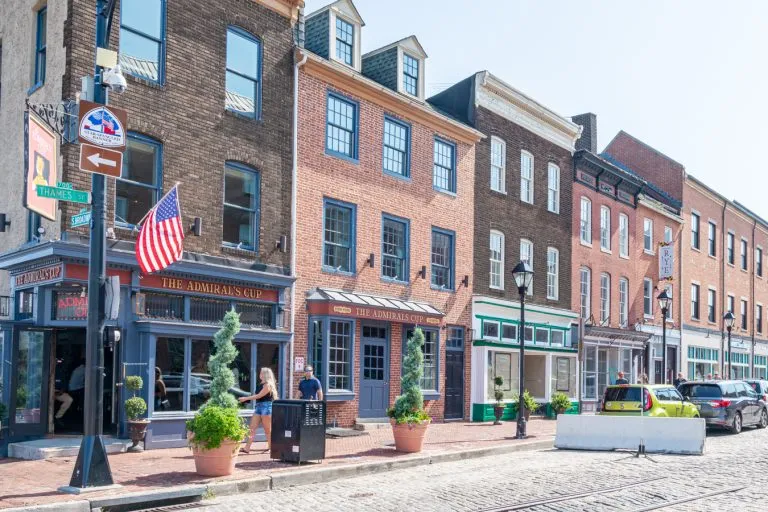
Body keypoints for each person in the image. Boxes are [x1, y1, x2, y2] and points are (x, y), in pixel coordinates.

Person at [239, 367, 278, 454]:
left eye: (261, 373)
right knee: (252, 428)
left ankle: (271, 447)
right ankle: (247, 448)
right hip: (258, 407)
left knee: (267, 429)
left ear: (265, 374)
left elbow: (259, 396)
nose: (259, 374)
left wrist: (246, 398)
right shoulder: (260, 384)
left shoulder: (268, 385)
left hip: (266, 407)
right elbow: (257, 396)